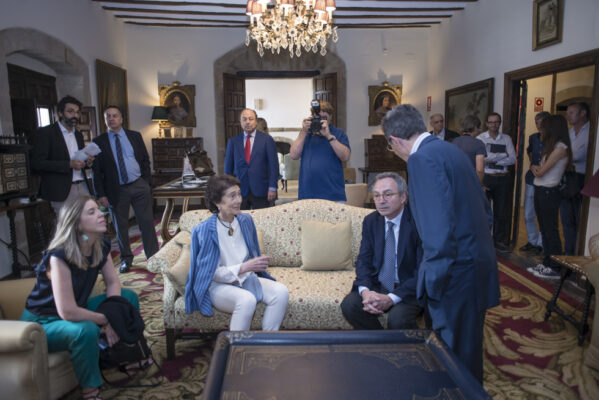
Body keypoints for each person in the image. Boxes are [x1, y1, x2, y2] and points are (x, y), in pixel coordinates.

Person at [382, 104, 500, 383]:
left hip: (454, 274)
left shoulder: (420, 160)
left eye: (390, 147)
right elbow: (485, 211)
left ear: (395, 140)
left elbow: (436, 231)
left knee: (451, 359)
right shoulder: (451, 150)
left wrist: (432, 285)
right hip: (476, 263)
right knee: (468, 352)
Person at [20, 196, 141, 400]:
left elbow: (112, 282)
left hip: (76, 308)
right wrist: (107, 319)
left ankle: (127, 355)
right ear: (77, 224)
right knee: (85, 330)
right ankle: (90, 391)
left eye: (98, 210)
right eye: (92, 212)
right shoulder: (59, 256)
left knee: (127, 297)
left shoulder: (100, 244)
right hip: (42, 323)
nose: (101, 214)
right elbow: (67, 311)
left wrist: (113, 312)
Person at [185, 175, 289, 330]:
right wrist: (244, 267)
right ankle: (236, 344)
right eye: (232, 196)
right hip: (218, 285)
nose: (239, 200)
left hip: (246, 279)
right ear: (217, 202)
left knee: (281, 292)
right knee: (246, 300)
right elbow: (211, 273)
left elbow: (253, 253)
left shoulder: (245, 220)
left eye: (239, 194)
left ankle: (267, 339)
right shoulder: (205, 230)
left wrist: (254, 265)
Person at [341, 172, 423, 330]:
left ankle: (401, 345)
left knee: (398, 318)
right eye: (377, 196)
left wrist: (391, 298)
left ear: (403, 197)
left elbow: (422, 270)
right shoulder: (371, 221)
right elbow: (364, 260)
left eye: (388, 194)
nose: (381, 201)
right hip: (378, 284)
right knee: (350, 305)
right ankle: (381, 341)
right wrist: (365, 291)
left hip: (408, 287)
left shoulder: (418, 222)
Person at [92, 106, 159, 273]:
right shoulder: (99, 142)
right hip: (116, 189)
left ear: (121, 119)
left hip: (138, 184)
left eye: (115, 116)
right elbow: (96, 171)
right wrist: (101, 194)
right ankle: (126, 260)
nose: (112, 119)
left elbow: (145, 160)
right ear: (105, 120)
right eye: (108, 116)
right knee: (120, 226)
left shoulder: (134, 136)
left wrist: (146, 182)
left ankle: (153, 257)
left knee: (146, 222)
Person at [31, 95, 94, 215]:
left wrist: (87, 162)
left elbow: (79, 162)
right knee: (67, 225)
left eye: (77, 112)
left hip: (82, 185)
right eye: (70, 112)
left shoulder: (78, 135)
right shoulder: (46, 133)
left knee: (88, 221)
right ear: (60, 113)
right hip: (60, 190)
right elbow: (37, 163)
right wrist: (68, 164)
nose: (75, 116)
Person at [527, 115, 573, 280]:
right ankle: (547, 262)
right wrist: (536, 169)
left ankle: (554, 266)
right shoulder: (552, 147)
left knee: (550, 230)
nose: (542, 130)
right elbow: (538, 169)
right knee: (544, 230)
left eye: (544, 127)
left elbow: (540, 171)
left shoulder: (560, 148)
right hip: (541, 190)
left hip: (549, 192)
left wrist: (535, 168)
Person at [290, 100, 351, 202]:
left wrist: (328, 136)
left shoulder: (338, 133)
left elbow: (345, 157)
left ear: (330, 117)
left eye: (324, 118)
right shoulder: (306, 134)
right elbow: (293, 155)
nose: (320, 120)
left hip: (333, 195)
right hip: (307, 195)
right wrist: (304, 131)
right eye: (318, 117)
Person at [224, 109, 279, 209]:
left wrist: (272, 187)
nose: (247, 122)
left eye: (250, 119)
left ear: (256, 121)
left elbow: (273, 166)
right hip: (239, 191)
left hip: (262, 190)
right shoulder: (233, 141)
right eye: (244, 119)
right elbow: (228, 168)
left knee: (262, 218)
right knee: (240, 218)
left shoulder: (267, 140)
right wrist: (228, 189)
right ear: (240, 122)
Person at [477, 112, 516, 251]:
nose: (494, 124)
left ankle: (498, 240)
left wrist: (493, 159)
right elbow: (483, 158)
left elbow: (512, 159)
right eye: (491, 122)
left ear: (500, 123)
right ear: (486, 124)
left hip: (502, 178)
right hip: (486, 177)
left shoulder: (506, 138)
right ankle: (484, 240)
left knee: (501, 211)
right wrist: (503, 155)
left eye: (496, 122)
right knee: (484, 211)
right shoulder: (481, 138)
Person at [560, 102, 590, 255]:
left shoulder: (591, 131)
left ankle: (579, 252)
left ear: (583, 113)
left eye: (571, 112)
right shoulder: (570, 132)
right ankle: (569, 252)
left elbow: (577, 155)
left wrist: (563, 155)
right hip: (567, 177)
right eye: (567, 113)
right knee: (566, 218)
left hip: (583, 179)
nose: (568, 116)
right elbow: (562, 152)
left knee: (580, 219)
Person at [520, 112, 549, 254]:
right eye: (537, 123)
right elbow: (530, 152)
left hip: (546, 180)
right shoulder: (533, 137)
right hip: (532, 178)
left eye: (542, 123)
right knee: (528, 213)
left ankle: (541, 243)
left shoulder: (553, 139)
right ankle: (532, 240)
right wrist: (533, 164)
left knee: (544, 213)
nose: (539, 126)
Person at [452, 115, 487, 183]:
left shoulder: (455, 141)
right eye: (479, 127)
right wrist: (478, 185)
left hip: (456, 181)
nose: (479, 130)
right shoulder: (479, 143)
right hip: (471, 182)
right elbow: (479, 170)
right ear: (475, 127)